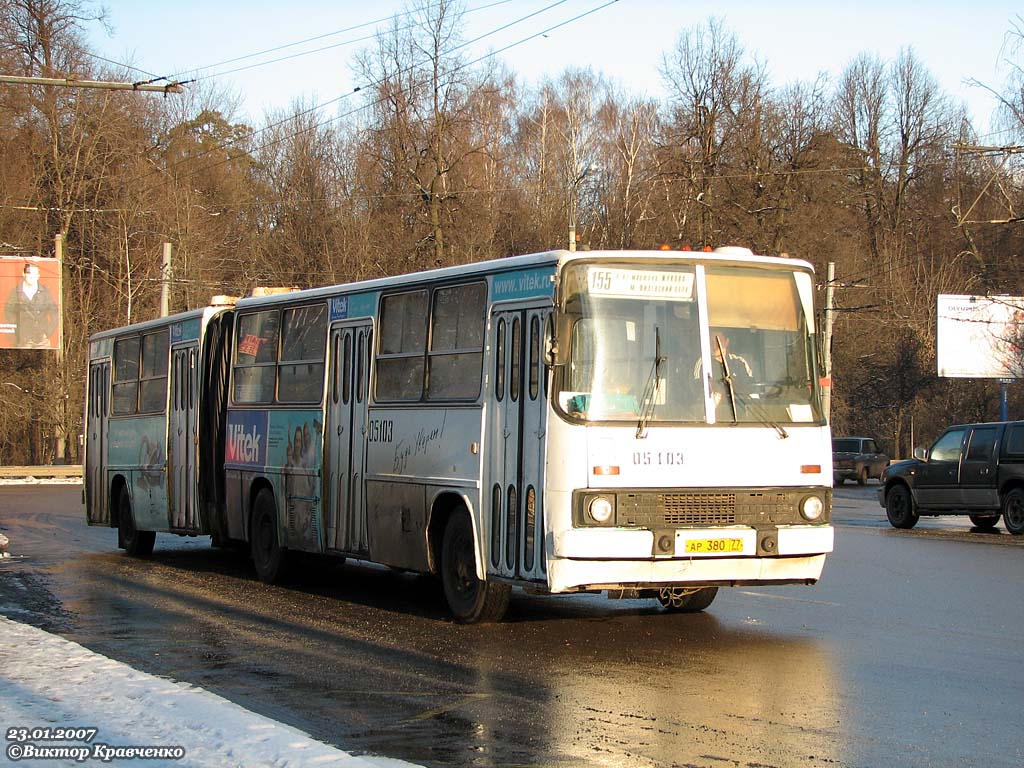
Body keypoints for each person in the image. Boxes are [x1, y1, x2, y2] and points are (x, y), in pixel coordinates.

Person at [693, 330, 755, 418]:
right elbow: (696, 389)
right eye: (712, 341)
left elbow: (750, 387)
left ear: (727, 342)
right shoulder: (703, 362)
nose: (715, 345)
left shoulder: (739, 362)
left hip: (739, 416)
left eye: (719, 341)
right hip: (711, 417)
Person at [4, 262, 58, 349]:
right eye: (29, 273)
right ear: (23, 274)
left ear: (38, 275)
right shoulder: (16, 292)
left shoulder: (45, 291)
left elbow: (55, 312)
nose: (31, 276)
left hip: (41, 340)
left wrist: (48, 332)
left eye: (34, 273)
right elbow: (8, 312)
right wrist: (17, 332)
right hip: (23, 340)